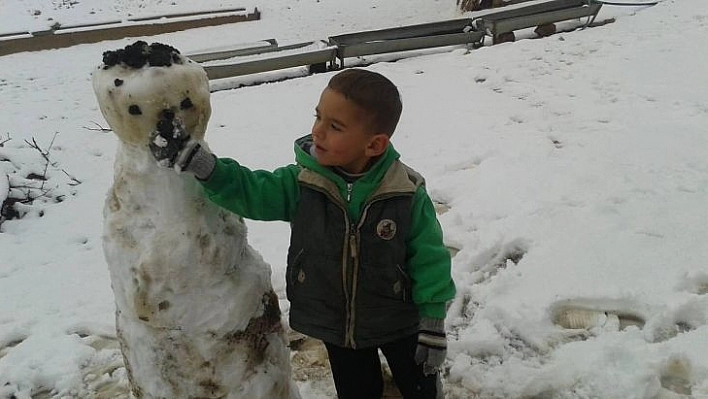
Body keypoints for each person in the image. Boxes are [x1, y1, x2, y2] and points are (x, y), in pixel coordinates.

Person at [149, 68, 456, 399]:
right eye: (318, 117)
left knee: (420, 387)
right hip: (336, 326)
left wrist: (433, 322)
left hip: (399, 321)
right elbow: (253, 191)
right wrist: (204, 166)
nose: (318, 131)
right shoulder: (302, 184)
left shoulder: (405, 194)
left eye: (335, 126)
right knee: (358, 391)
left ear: (374, 144)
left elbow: (430, 258)